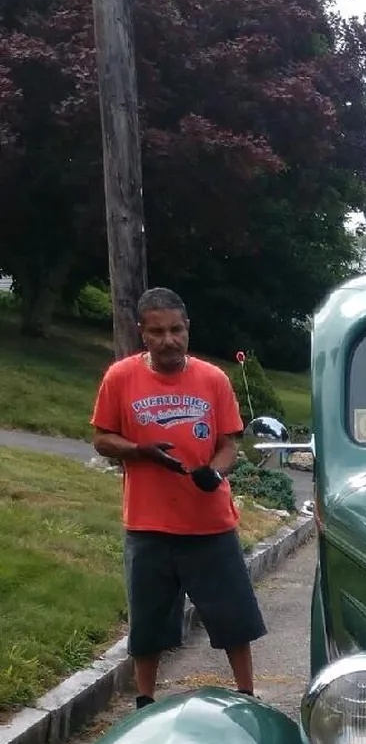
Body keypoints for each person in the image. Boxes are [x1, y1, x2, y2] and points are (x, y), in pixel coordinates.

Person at [91, 288, 266, 706]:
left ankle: (247, 695)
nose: (168, 340)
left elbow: (229, 444)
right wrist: (139, 451)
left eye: (175, 330)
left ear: (187, 328)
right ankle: (145, 702)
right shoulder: (120, 377)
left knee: (234, 619)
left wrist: (214, 471)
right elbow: (102, 438)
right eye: (157, 332)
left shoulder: (213, 379)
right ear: (142, 333)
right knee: (148, 626)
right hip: (149, 526)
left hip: (209, 526)